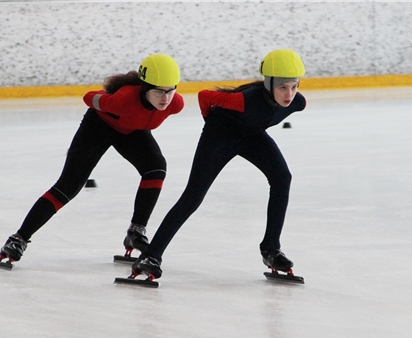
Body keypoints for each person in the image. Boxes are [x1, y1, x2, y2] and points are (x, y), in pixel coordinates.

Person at [131, 49, 306, 279]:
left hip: (252, 136)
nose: (289, 94)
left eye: (293, 86)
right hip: (220, 135)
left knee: (282, 178)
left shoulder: (297, 103)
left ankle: (271, 249)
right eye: (283, 87)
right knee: (193, 196)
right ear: (269, 83)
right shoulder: (245, 100)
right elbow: (205, 96)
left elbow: (270, 113)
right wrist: (210, 123)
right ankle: (151, 255)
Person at [0, 53, 184, 265]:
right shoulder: (123, 100)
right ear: (145, 87)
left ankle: (136, 231)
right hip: (99, 127)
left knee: (156, 168)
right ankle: (18, 239)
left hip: (131, 130)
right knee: (69, 186)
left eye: (170, 90)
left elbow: (154, 108)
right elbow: (88, 97)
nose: (165, 98)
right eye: (159, 91)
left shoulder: (176, 104)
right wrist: (106, 98)